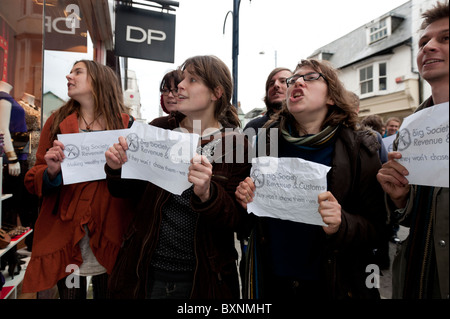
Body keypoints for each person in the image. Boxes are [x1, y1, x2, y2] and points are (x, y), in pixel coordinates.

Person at [236, 58, 388, 299]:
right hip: (274, 282)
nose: (298, 82)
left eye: (310, 77)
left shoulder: (361, 146)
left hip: (332, 283)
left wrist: (341, 224)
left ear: (331, 97)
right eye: (294, 79)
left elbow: (380, 226)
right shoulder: (267, 141)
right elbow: (252, 221)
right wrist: (248, 202)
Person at [105, 55, 252, 299]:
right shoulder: (159, 128)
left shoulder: (237, 145)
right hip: (145, 270)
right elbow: (124, 191)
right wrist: (116, 167)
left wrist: (207, 194)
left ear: (216, 92)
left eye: (192, 80)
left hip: (203, 278)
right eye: (183, 78)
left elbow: (240, 221)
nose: (180, 85)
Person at [22, 60, 134, 299]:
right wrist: (51, 172)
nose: (68, 76)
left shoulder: (127, 126)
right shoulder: (55, 123)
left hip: (109, 233)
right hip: (65, 236)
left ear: (98, 81)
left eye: (77, 72)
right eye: (71, 71)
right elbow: (32, 179)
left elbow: (135, 186)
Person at [377, 1, 449, 299]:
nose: (429, 46)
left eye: (446, 38)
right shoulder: (409, 132)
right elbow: (409, 218)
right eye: (423, 42)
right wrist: (400, 198)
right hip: (417, 277)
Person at [244, 67, 293, 132]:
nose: (276, 85)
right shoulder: (252, 128)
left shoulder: (304, 123)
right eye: (271, 84)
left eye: (283, 81)